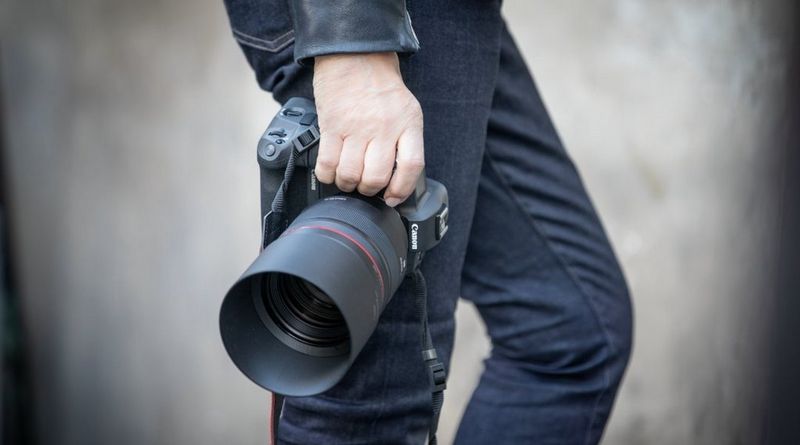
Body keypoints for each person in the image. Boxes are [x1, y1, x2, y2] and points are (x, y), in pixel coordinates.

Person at [222, 0, 633, 443]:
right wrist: (354, 44)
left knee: (571, 332)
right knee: (373, 407)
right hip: (373, 24)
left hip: (452, 18)